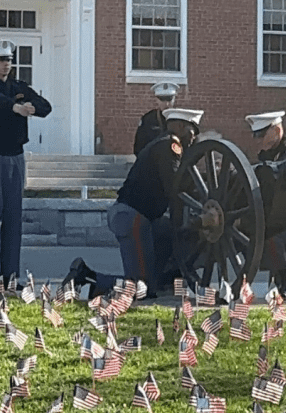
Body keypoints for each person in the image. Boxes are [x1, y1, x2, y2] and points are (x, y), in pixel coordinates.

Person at [65, 108, 202, 298]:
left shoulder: (162, 144)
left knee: (154, 279)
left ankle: (162, 277)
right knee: (141, 287)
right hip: (133, 217)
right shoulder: (169, 147)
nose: (193, 137)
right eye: (192, 131)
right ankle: (85, 276)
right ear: (179, 126)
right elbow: (174, 187)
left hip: (143, 218)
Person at [0, 39, 52, 285]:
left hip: (16, 156)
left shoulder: (20, 86)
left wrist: (29, 106)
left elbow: (45, 107)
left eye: (9, 60)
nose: (7, 64)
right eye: (1, 60)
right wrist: (14, 107)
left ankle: (10, 274)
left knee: (13, 217)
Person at [245, 111, 286, 296]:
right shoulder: (266, 154)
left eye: (262, 134)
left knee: (281, 236)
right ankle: (282, 280)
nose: (259, 140)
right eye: (256, 135)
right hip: (271, 211)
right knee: (273, 235)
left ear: (277, 130)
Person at [133, 81, 180, 156]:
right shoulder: (148, 119)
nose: (166, 104)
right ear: (157, 100)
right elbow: (139, 147)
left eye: (169, 99)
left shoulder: (180, 119)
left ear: (174, 98)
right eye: (162, 99)